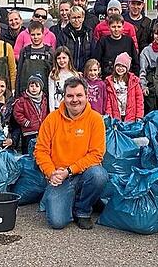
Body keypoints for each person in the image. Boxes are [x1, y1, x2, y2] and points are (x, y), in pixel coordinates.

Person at [34, 77, 109, 230]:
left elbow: (96, 155)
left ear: (86, 96)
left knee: (99, 175)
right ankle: (68, 199)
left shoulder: (95, 119)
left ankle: (82, 210)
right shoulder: (51, 119)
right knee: (57, 222)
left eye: (79, 95)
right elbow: (40, 150)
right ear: (64, 97)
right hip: (59, 176)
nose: (75, 100)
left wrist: (69, 171)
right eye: (70, 96)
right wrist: (51, 173)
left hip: (83, 173)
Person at [12, 74, 49, 153]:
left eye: (37, 86)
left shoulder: (44, 99)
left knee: (39, 151)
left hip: (41, 131)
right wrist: (26, 122)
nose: (34, 88)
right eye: (32, 86)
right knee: (28, 151)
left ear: (41, 88)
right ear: (28, 87)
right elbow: (17, 113)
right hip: (28, 131)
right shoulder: (22, 100)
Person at [16, 21, 55, 94]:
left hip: (45, 93)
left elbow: (54, 74)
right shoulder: (24, 51)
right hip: (26, 93)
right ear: (29, 35)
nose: (36, 37)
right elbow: (19, 74)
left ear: (43, 34)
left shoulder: (50, 51)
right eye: (33, 35)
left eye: (38, 34)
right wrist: (17, 94)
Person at [139, 22, 158, 113]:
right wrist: (143, 86)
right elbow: (142, 70)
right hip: (151, 86)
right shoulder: (146, 51)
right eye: (156, 33)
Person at [104, 53, 143, 122]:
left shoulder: (134, 81)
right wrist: (109, 115)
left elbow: (139, 100)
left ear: (127, 68)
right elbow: (108, 101)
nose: (120, 68)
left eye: (123, 66)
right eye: (118, 65)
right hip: (115, 116)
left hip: (131, 116)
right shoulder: (110, 82)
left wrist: (139, 116)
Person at [57, 6, 93, 72]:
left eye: (79, 17)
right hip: (68, 71)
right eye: (74, 18)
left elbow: (93, 53)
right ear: (69, 18)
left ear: (83, 17)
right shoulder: (63, 34)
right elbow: (61, 54)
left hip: (86, 72)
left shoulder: (89, 33)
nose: (76, 20)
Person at [48, 46, 78, 112]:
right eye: (59, 58)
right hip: (57, 108)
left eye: (64, 58)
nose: (61, 61)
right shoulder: (53, 74)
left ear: (69, 58)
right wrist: (52, 112)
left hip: (70, 108)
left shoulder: (74, 74)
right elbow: (51, 94)